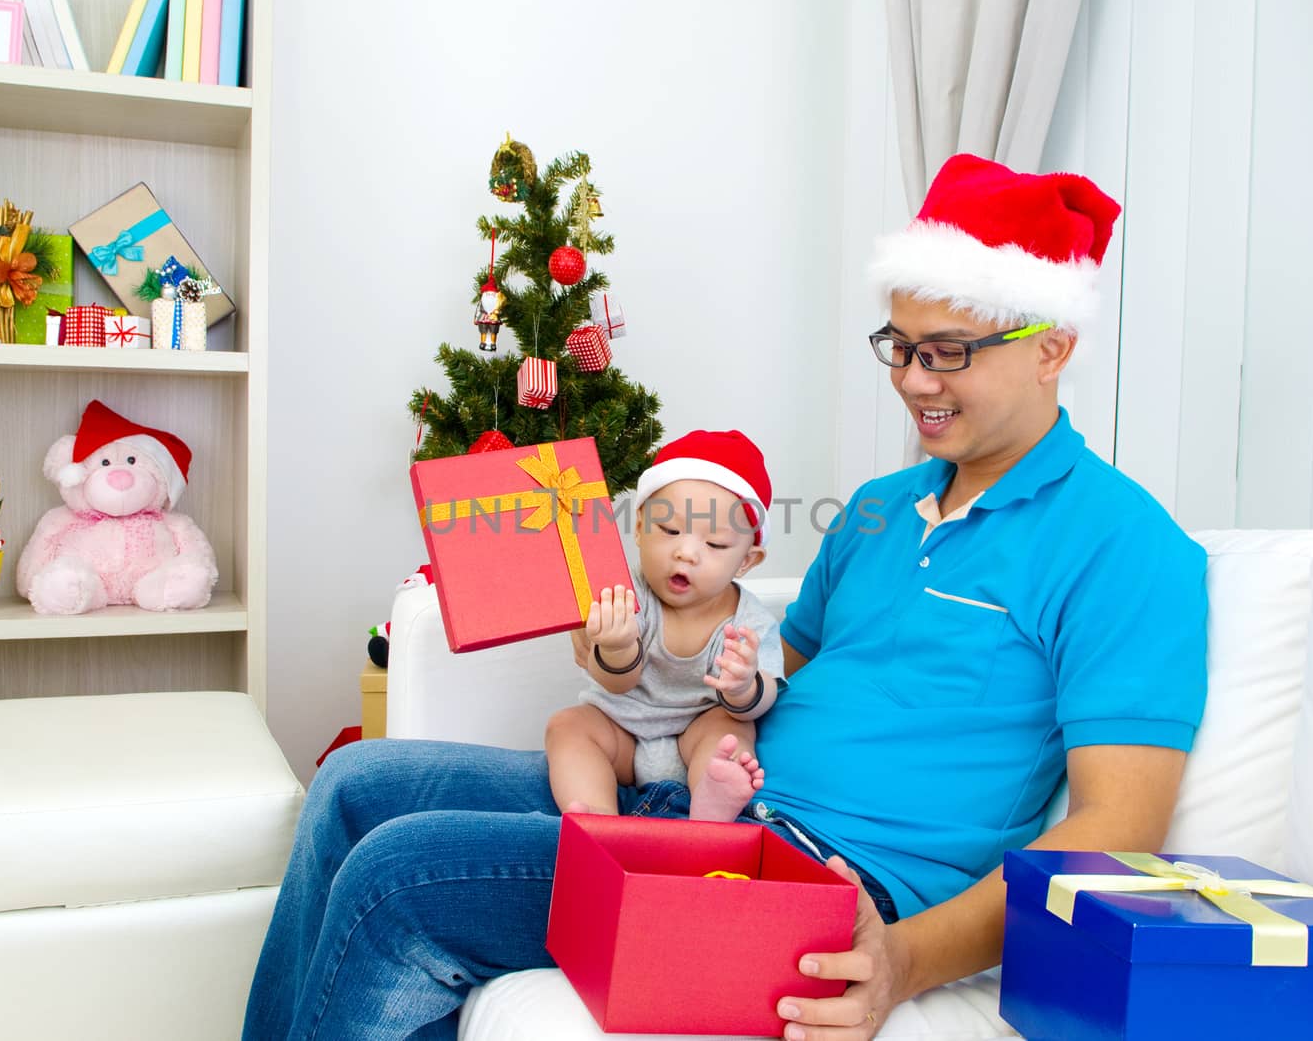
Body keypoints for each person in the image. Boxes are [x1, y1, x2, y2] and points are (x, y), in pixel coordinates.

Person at [242, 153, 1208, 1041]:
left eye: (948, 350)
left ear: (1054, 346)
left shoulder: (1126, 546)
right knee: (355, 787)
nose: (915, 382)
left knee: (399, 882)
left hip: (830, 880)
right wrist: (624, 658)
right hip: (715, 806)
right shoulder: (879, 509)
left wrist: (903, 960)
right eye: (899, 346)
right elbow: (765, 674)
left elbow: (1117, 831)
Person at [546, 429, 783, 822]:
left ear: (746, 560)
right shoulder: (626, 592)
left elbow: (764, 698)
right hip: (620, 730)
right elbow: (615, 682)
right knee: (568, 726)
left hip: (697, 733)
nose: (685, 552)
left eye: (715, 545)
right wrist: (617, 645)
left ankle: (711, 805)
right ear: (639, 528)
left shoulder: (750, 621)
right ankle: (597, 821)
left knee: (730, 735)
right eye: (670, 531)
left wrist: (745, 686)